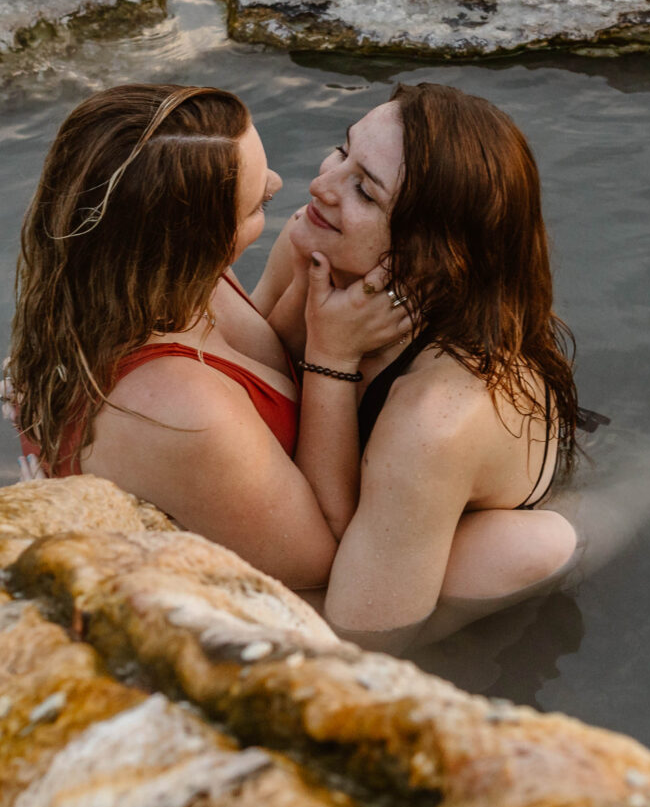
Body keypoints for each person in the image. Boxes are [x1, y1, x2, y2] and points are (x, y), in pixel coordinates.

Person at [1, 83, 406, 592]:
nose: (283, 182)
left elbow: (261, 359)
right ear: (190, 243)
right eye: (259, 205)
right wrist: (334, 357)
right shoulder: (180, 408)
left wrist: (309, 284)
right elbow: (319, 567)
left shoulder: (151, 282)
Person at [249, 82, 583, 651]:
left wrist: (331, 356)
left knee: (520, 550)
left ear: (429, 255)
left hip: (490, 520)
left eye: (364, 190)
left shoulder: (437, 417)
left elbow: (362, 639)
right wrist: (304, 310)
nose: (320, 185)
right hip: (382, 513)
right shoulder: (317, 240)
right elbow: (248, 380)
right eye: (342, 150)